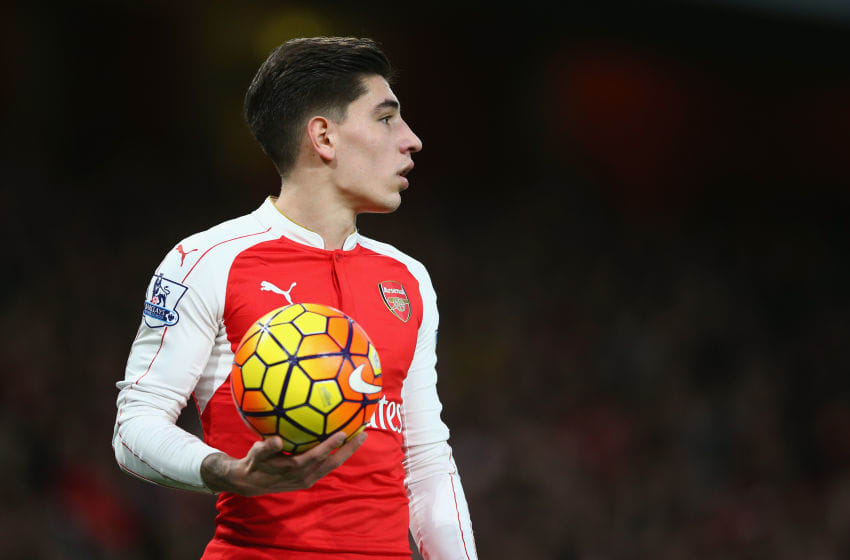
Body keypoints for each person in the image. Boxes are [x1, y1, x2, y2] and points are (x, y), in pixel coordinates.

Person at [112, 36, 477, 559]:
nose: (412, 139)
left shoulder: (408, 278)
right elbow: (135, 427)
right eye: (385, 118)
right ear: (323, 136)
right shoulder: (208, 260)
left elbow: (425, 461)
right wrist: (227, 472)